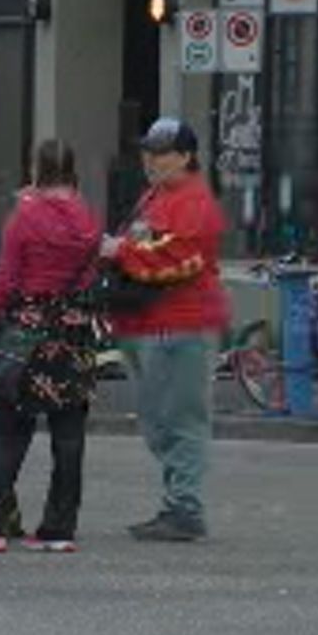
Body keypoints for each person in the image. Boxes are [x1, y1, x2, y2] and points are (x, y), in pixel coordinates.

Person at [0, 140, 103, 554]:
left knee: (3, 431)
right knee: (69, 436)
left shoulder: (26, 217)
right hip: (74, 333)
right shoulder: (89, 219)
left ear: (36, 168)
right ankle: (59, 528)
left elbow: (8, 282)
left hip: (28, 335)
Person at [102, 117, 229, 542]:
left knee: (180, 420)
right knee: (160, 419)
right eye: (147, 151)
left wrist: (119, 251)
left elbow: (178, 257)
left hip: (181, 324)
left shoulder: (194, 202)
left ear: (186, 157)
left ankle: (184, 507)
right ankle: (179, 503)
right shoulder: (156, 196)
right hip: (152, 323)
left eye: (160, 152)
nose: (150, 160)